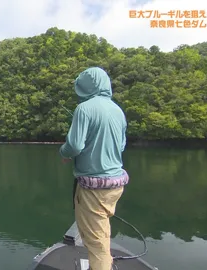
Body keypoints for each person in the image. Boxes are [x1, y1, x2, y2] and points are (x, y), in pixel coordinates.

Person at [59, 67, 129, 270]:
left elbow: (74, 146)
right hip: (115, 185)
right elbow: (121, 146)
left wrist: (64, 153)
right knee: (102, 229)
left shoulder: (84, 109)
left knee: (95, 244)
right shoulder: (118, 110)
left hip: (93, 189)